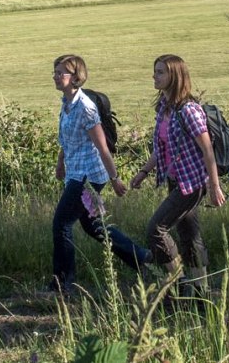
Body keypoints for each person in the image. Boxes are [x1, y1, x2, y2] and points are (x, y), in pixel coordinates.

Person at [48, 54, 149, 294]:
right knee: (93, 225)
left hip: (89, 175)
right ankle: (142, 257)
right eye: (55, 71)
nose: (55, 76)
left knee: (61, 223)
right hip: (75, 171)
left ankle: (63, 283)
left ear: (75, 77)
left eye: (60, 72)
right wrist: (60, 163)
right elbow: (67, 139)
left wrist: (115, 179)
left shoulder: (86, 107)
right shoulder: (66, 104)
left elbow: (102, 147)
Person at [130, 54, 225, 299]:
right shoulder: (164, 108)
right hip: (176, 181)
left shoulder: (188, 111)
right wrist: (143, 172)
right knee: (189, 236)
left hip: (192, 184)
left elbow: (207, 151)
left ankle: (180, 283)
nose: (154, 76)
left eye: (160, 72)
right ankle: (201, 292)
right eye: (155, 71)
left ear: (175, 76)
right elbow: (163, 148)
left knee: (156, 230)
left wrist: (214, 187)